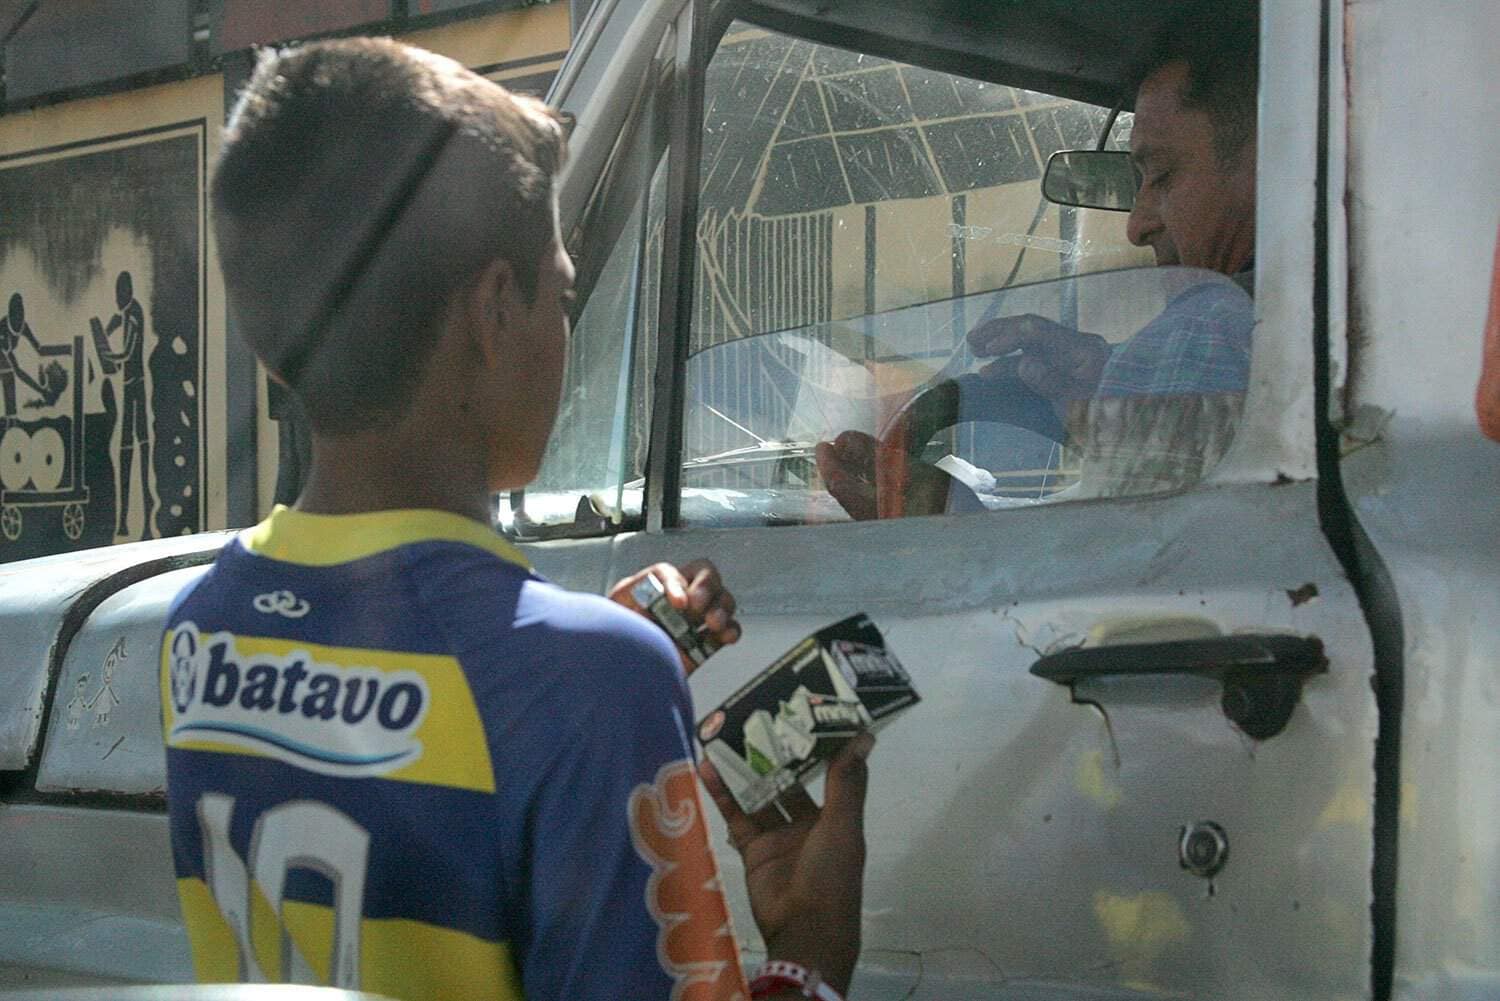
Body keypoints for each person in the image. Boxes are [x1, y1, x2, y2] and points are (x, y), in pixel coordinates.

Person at [160, 39, 870, 1001]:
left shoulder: (199, 627)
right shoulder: (594, 680)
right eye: (565, 294)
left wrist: (566, 650)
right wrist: (810, 960)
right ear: (495, 308)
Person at [818, 15, 1258, 515]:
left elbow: (1117, 567)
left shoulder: (1209, 325)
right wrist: (1105, 384)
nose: (1136, 226)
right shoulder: (1275, 324)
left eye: (1160, 174)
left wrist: (941, 512)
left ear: (1271, 160)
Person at [96, 271, 154, 536]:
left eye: (120, 295)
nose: (118, 300)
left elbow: (129, 351)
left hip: (136, 385)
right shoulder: (126, 312)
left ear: (126, 293)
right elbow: (113, 325)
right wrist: (104, 331)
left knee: (137, 445)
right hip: (129, 385)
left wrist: (109, 353)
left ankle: (142, 512)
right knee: (127, 446)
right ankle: (125, 518)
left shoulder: (134, 313)